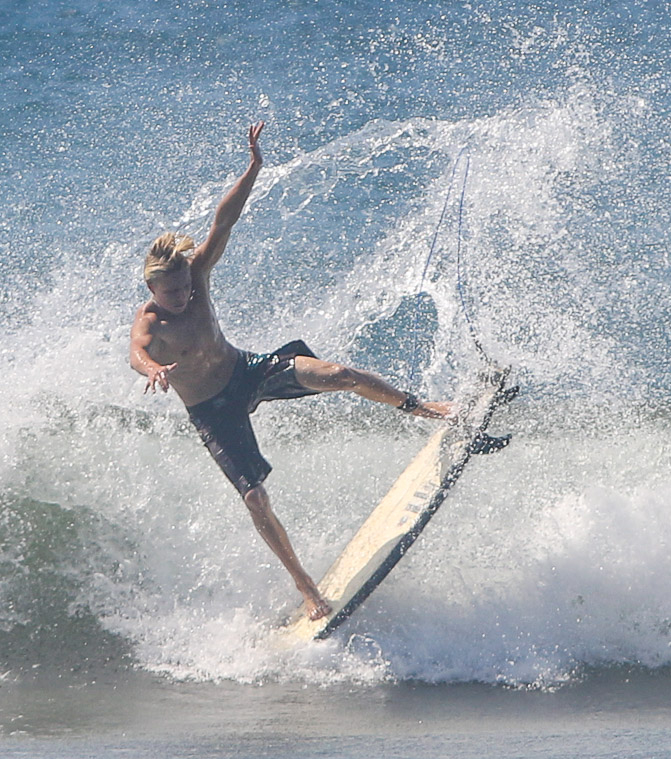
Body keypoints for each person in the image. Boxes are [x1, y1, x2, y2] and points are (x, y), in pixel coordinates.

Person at [129, 122, 453, 620]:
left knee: (341, 372)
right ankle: (305, 587)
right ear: (153, 292)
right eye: (171, 292)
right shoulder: (152, 320)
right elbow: (136, 352)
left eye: (184, 286)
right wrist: (152, 369)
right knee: (256, 498)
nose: (183, 296)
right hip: (212, 410)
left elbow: (225, 220)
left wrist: (254, 166)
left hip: (247, 371)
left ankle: (421, 408)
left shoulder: (195, 277)